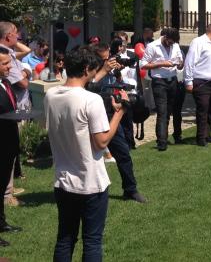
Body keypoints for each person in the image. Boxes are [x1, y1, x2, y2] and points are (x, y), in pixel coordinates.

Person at [44, 48, 129, 260]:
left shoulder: (51, 95)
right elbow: (101, 142)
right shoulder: (91, 100)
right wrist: (119, 113)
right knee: (92, 240)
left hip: (63, 180)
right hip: (90, 181)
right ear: (86, 69)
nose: (94, 74)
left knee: (65, 238)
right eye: (93, 70)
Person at [88, 42, 147, 203]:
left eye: (109, 57)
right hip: (92, 114)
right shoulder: (90, 68)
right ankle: (87, 191)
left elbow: (115, 84)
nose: (108, 61)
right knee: (89, 156)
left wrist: (117, 72)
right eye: (104, 59)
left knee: (123, 152)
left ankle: (130, 190)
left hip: (110, 113)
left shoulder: (110, 67)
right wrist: (103, 70)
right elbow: (89, 88)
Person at [140, 28, 184, 151]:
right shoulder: (153, 46)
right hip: (159, 81)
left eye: (173, 43)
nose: (171, 44)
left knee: (168, 111)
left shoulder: (175, 46)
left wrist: (180, 64)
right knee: (162, 111)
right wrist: (161, 64)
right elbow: (143, 64)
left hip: (172, 79)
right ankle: (162, 142)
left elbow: (180, 62)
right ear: (165, 37)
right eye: (169, 42)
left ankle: (163, 136)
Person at [184, 23, 211, 146]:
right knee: (203, 109)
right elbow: (190, 62)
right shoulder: (198, 42)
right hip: (201, 82)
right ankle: (201, 137)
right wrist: (188, 81)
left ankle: (207, 135)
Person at [0, 49, 21, 247]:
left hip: (8, 144)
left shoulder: (5, 83)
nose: (9, 67)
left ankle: (1, 222)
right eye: (5, 63)